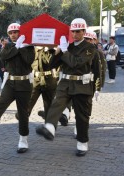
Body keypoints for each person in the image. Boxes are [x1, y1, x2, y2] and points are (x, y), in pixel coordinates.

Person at [35, 18, 101, 157]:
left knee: (82, 116)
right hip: (65, 84)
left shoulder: (90, 49)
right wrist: (57, 51)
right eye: (73, 31)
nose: (75, 34)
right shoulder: (67, 46)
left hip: (82, 86)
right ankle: (50, 127)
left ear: (84, 31)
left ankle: (82, 142)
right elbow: (51, 64)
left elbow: (76, 63)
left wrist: (97, 88)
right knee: (56, 104)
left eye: (78, 31)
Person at [0, 23, 35, 154]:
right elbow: (3, 56)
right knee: (2, 102)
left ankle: (23, 140)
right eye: (11, 33)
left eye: (16, 32)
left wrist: (21, 47)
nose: (13, 35)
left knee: (23, 113)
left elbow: (28, 61)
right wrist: (16, 46)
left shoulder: (29, 47)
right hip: (10, 82)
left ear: (21, 33)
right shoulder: (8, 46)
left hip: (25, 83)